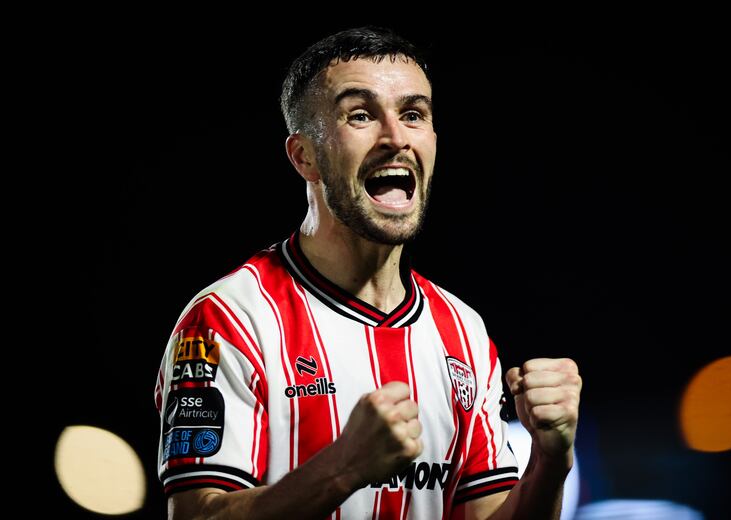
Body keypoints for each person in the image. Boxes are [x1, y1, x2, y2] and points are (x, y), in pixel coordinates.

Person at [154, 26, 581, 520]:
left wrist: (550, 462)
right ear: (304, 156)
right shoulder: (229, 318)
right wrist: (343, 468)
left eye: (413, 115)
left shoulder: (463, 332)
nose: (396, 138)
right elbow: (196, 515)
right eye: (360, 115)